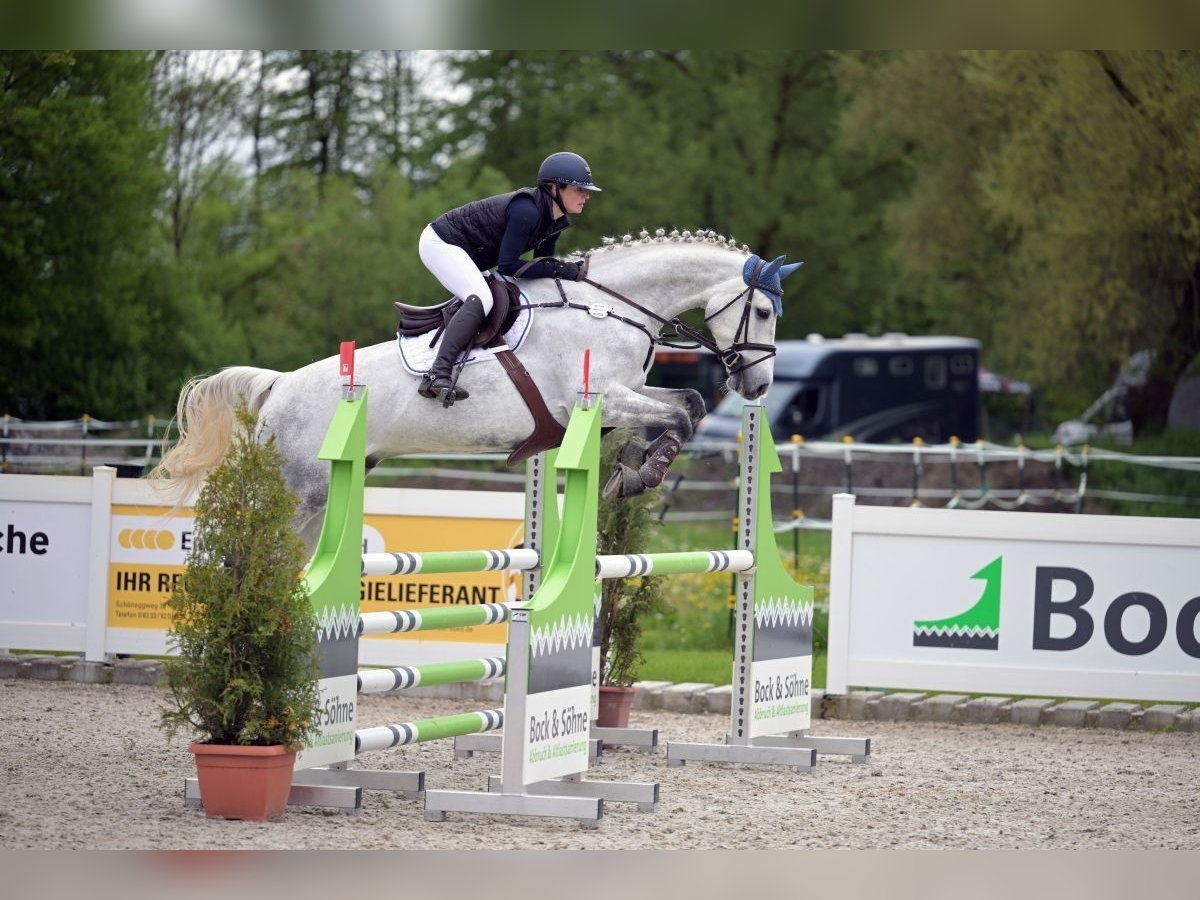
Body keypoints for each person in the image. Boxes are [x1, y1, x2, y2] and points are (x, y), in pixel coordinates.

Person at [416, 151, 601, 402]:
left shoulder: (555, 221)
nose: (586, 195)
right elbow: (508, 266)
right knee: (482, 297)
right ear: (555, 187)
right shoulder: (526, 211)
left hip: (469, 254)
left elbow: (541, 265)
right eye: (580, 189)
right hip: (441, 243)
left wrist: (562, 270)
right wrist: (560, 269)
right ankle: (438, 373)